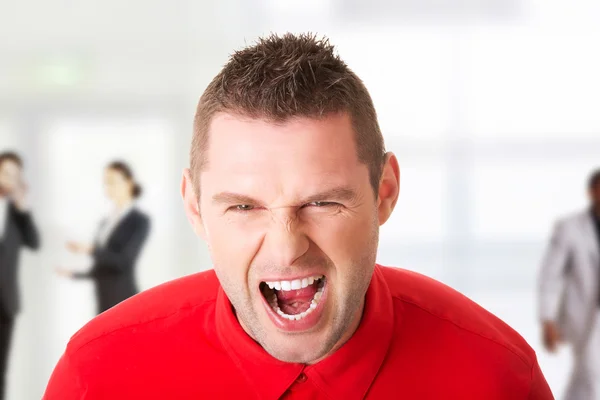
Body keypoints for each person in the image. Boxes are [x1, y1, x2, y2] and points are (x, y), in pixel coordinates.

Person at [44, 34, 552, 399]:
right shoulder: (98, 378)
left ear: (384, 193)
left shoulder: (498, 377)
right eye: (244, 207)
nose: (287, 247)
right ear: (196, 208)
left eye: (322, 202)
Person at [56, 161, 150, 314]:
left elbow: (123, 261)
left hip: (123, 298)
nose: (108, 187)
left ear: (129, 183)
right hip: (103, 300)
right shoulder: (105, 223)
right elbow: (102, 267)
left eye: (113, 182)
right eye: (106, 183)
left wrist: (91, 249)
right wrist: (74, 274)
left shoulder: (139, 220)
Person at [539, 168, 600, 400]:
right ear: (592, 192)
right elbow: (550, 275)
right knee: (592, 374)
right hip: (586, 314)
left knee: (584, 378)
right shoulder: (570, 228)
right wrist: (547, 320)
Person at [0, 151, 40, 400]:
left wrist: (23, 208)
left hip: (5, 303)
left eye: (15, 176)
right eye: (5, 173)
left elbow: (34, 242)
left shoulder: (17, 214)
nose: (9, 179)